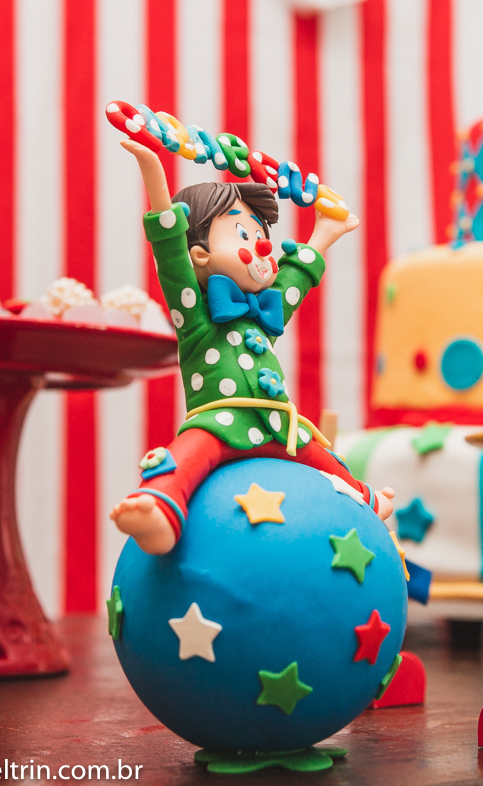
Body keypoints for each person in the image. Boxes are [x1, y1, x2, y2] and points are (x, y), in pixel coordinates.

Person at [109, 139, 394, 554]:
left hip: (280, 425)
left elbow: (293, 284)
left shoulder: (264, 317)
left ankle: (367, 501)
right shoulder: (196, 317)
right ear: (201, 255)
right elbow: (170, 253)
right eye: (244, 234)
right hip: (219, 423)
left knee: (325, 459)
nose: (262, 246)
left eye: (261, 234)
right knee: (186, 455)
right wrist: (154, 172)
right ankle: (158, 507)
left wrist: (324, 233)